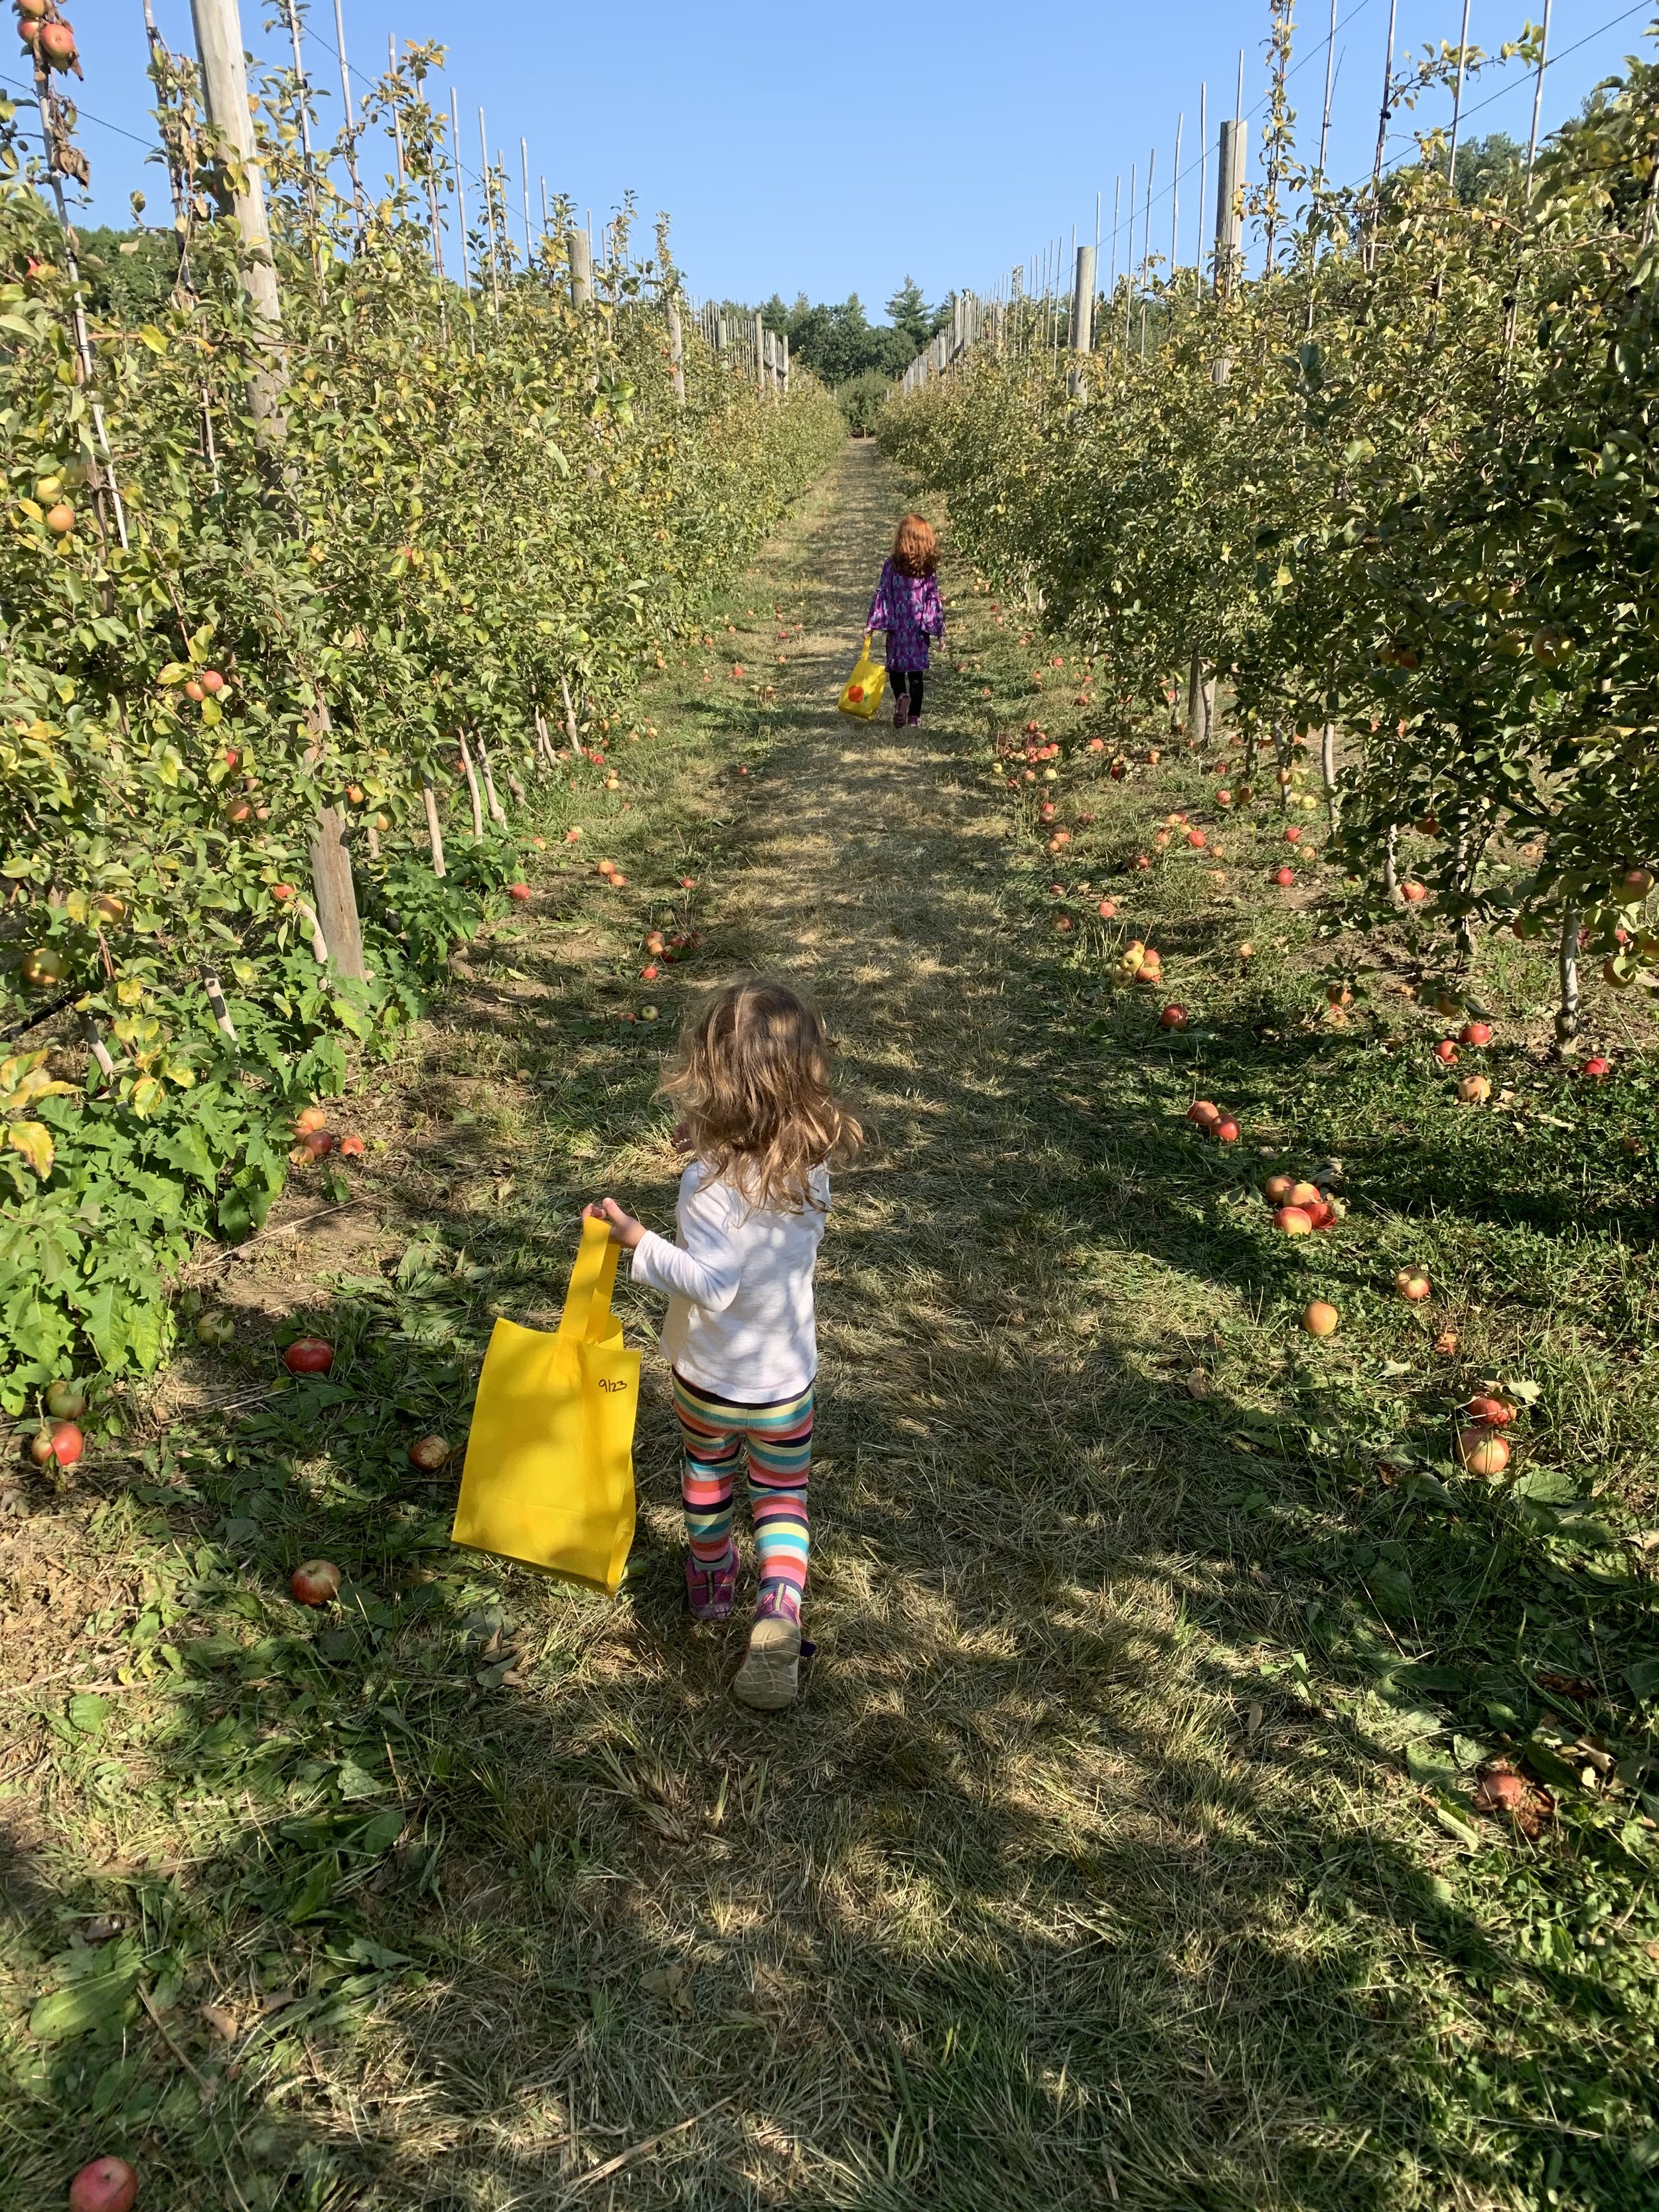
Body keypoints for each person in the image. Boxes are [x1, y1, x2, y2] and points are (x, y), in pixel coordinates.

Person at [584, 979, 861, 1712]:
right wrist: (716, 1145)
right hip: (784, 1380)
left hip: (709, 1377)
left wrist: (638, 1244)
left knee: (706, 1478)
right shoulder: (812, 1167)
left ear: (713, 1084)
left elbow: (713, 1283)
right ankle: (778, 1605)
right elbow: (761, 1189)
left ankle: (710, 1587)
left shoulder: (704, 1186)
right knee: (781, 1493)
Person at [865, 512, 944, 729]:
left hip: (898, 629)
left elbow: (883, 594)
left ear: (901, 538)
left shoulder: (891, 565)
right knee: (916, 675)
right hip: (918, 630)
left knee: (897, 671)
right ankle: (914, 719)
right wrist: (938, 631)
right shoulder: (928, 570)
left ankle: (901, 696)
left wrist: (872, 624)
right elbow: (932, 600)